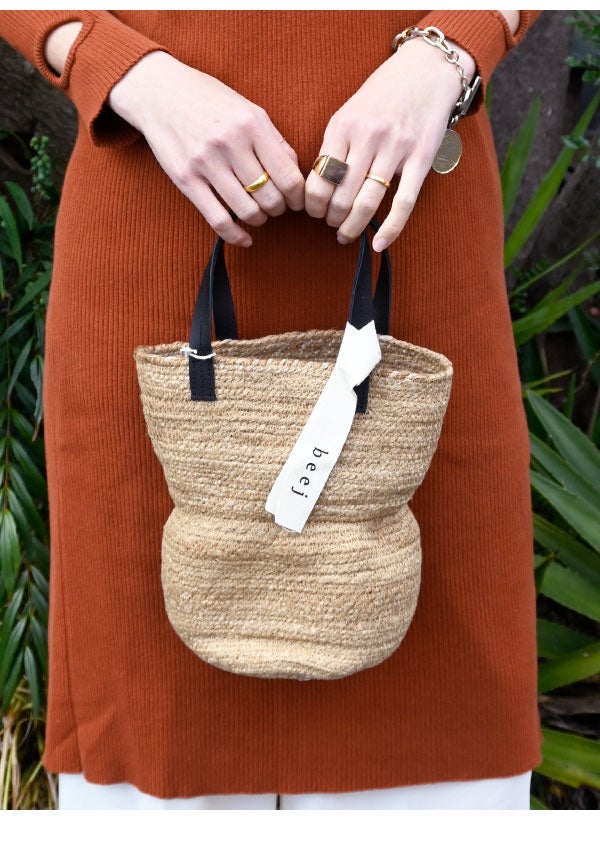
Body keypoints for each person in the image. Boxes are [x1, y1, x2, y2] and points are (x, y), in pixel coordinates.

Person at [0, 10, 544, 810]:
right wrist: (125, 71)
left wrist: (448, 52)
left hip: (414, 216)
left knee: (443, 737)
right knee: (157, 740)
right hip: (153, 220)